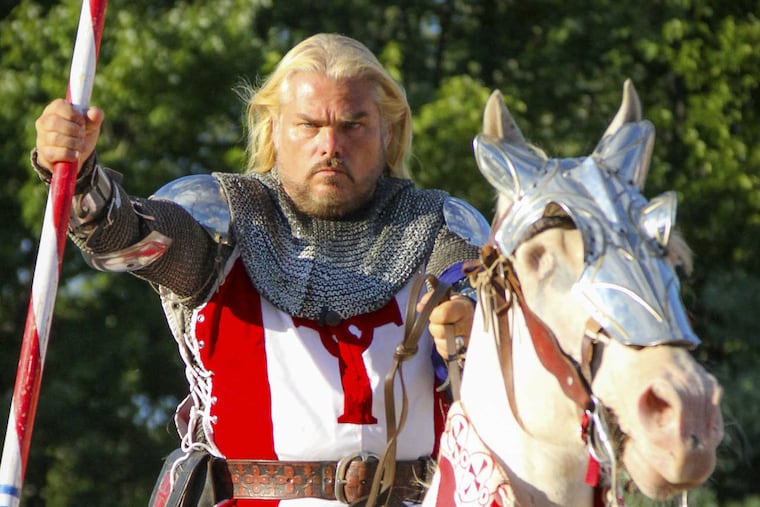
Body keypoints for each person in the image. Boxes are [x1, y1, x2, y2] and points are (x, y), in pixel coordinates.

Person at [32, 33, 484, 506]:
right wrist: (78, 173)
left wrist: (474, 324)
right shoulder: (219, 223)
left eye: (353, 125)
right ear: (273, 128)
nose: (330, 145)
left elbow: (481, 301)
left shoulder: (442, 227)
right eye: (309, 125)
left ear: (387, 132)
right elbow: (124, 237)